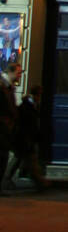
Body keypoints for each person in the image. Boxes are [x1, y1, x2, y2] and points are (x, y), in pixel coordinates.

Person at [8, 85, 48, 191]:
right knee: (29, 159)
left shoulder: (31, 104)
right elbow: (27, 123)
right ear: (37, 94)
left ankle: (39, 182)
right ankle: (40, 182)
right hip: (24, 137)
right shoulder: (27, 105)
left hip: (26, 137)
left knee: (22, 158)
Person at [0, 60, 23, 193]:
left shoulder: (9, 87)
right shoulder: (2, 86)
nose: (20, 75)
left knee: (4, 156)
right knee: (2, 156)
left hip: (7, 127)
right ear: (11, 72)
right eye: (18, 73)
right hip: (2, 127)